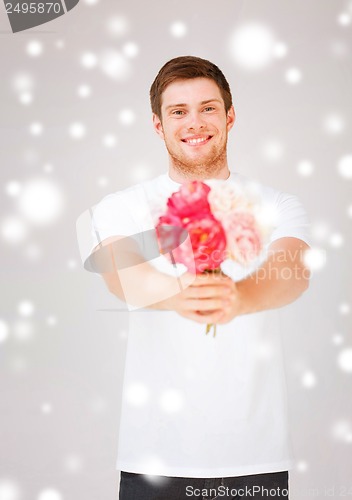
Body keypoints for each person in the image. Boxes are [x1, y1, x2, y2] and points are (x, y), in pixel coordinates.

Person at [86, 56, 311, 499]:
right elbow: (120, 272)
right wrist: (178, 293)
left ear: (229, 116)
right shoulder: (122, 206)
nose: (195, 123)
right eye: (178, 111)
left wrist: (240, 298)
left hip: (255, 458)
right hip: (154, 457)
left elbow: (293, 272)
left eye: (208, 108)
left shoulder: (278, 205)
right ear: (157, 125)